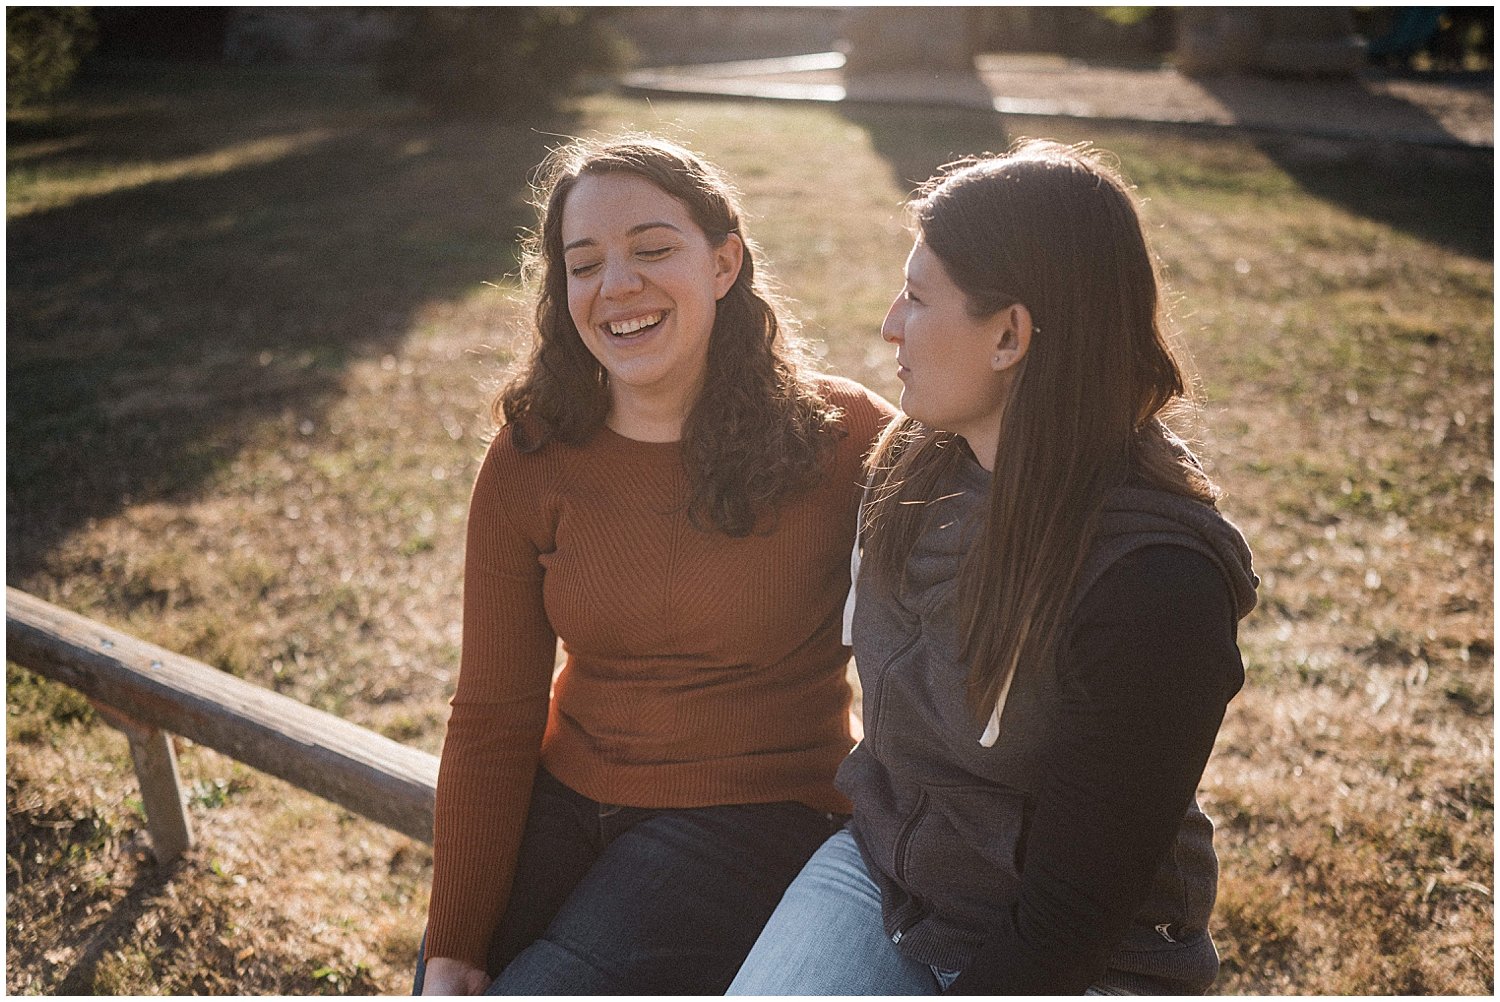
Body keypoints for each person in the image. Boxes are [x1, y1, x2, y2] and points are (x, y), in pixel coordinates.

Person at [728, 140, 1259, 996]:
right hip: (888, 880)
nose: (889, 325)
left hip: (1085, 954)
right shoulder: (911, 467)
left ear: (1010, 335)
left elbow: (1069, 919)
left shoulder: (1156, 585)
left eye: (915, 297)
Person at [415, 135, 896, 995]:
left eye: (653, 248)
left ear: (724, 263)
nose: (616, 285)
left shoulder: (845, 437)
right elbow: (492, 713)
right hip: (565, 796)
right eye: (584, 262)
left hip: (755, 812)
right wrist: (451, 948)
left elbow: (998, 490)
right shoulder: (531, 457)